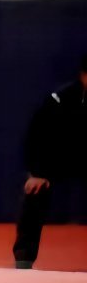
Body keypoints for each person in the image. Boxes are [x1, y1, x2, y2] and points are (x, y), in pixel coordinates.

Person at [13, 53, 87, 269]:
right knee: (35, 192)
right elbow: (36, 138)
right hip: (59, 162)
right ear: (83, 76)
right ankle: (24, 258)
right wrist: (36, 173)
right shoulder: (58, 99)